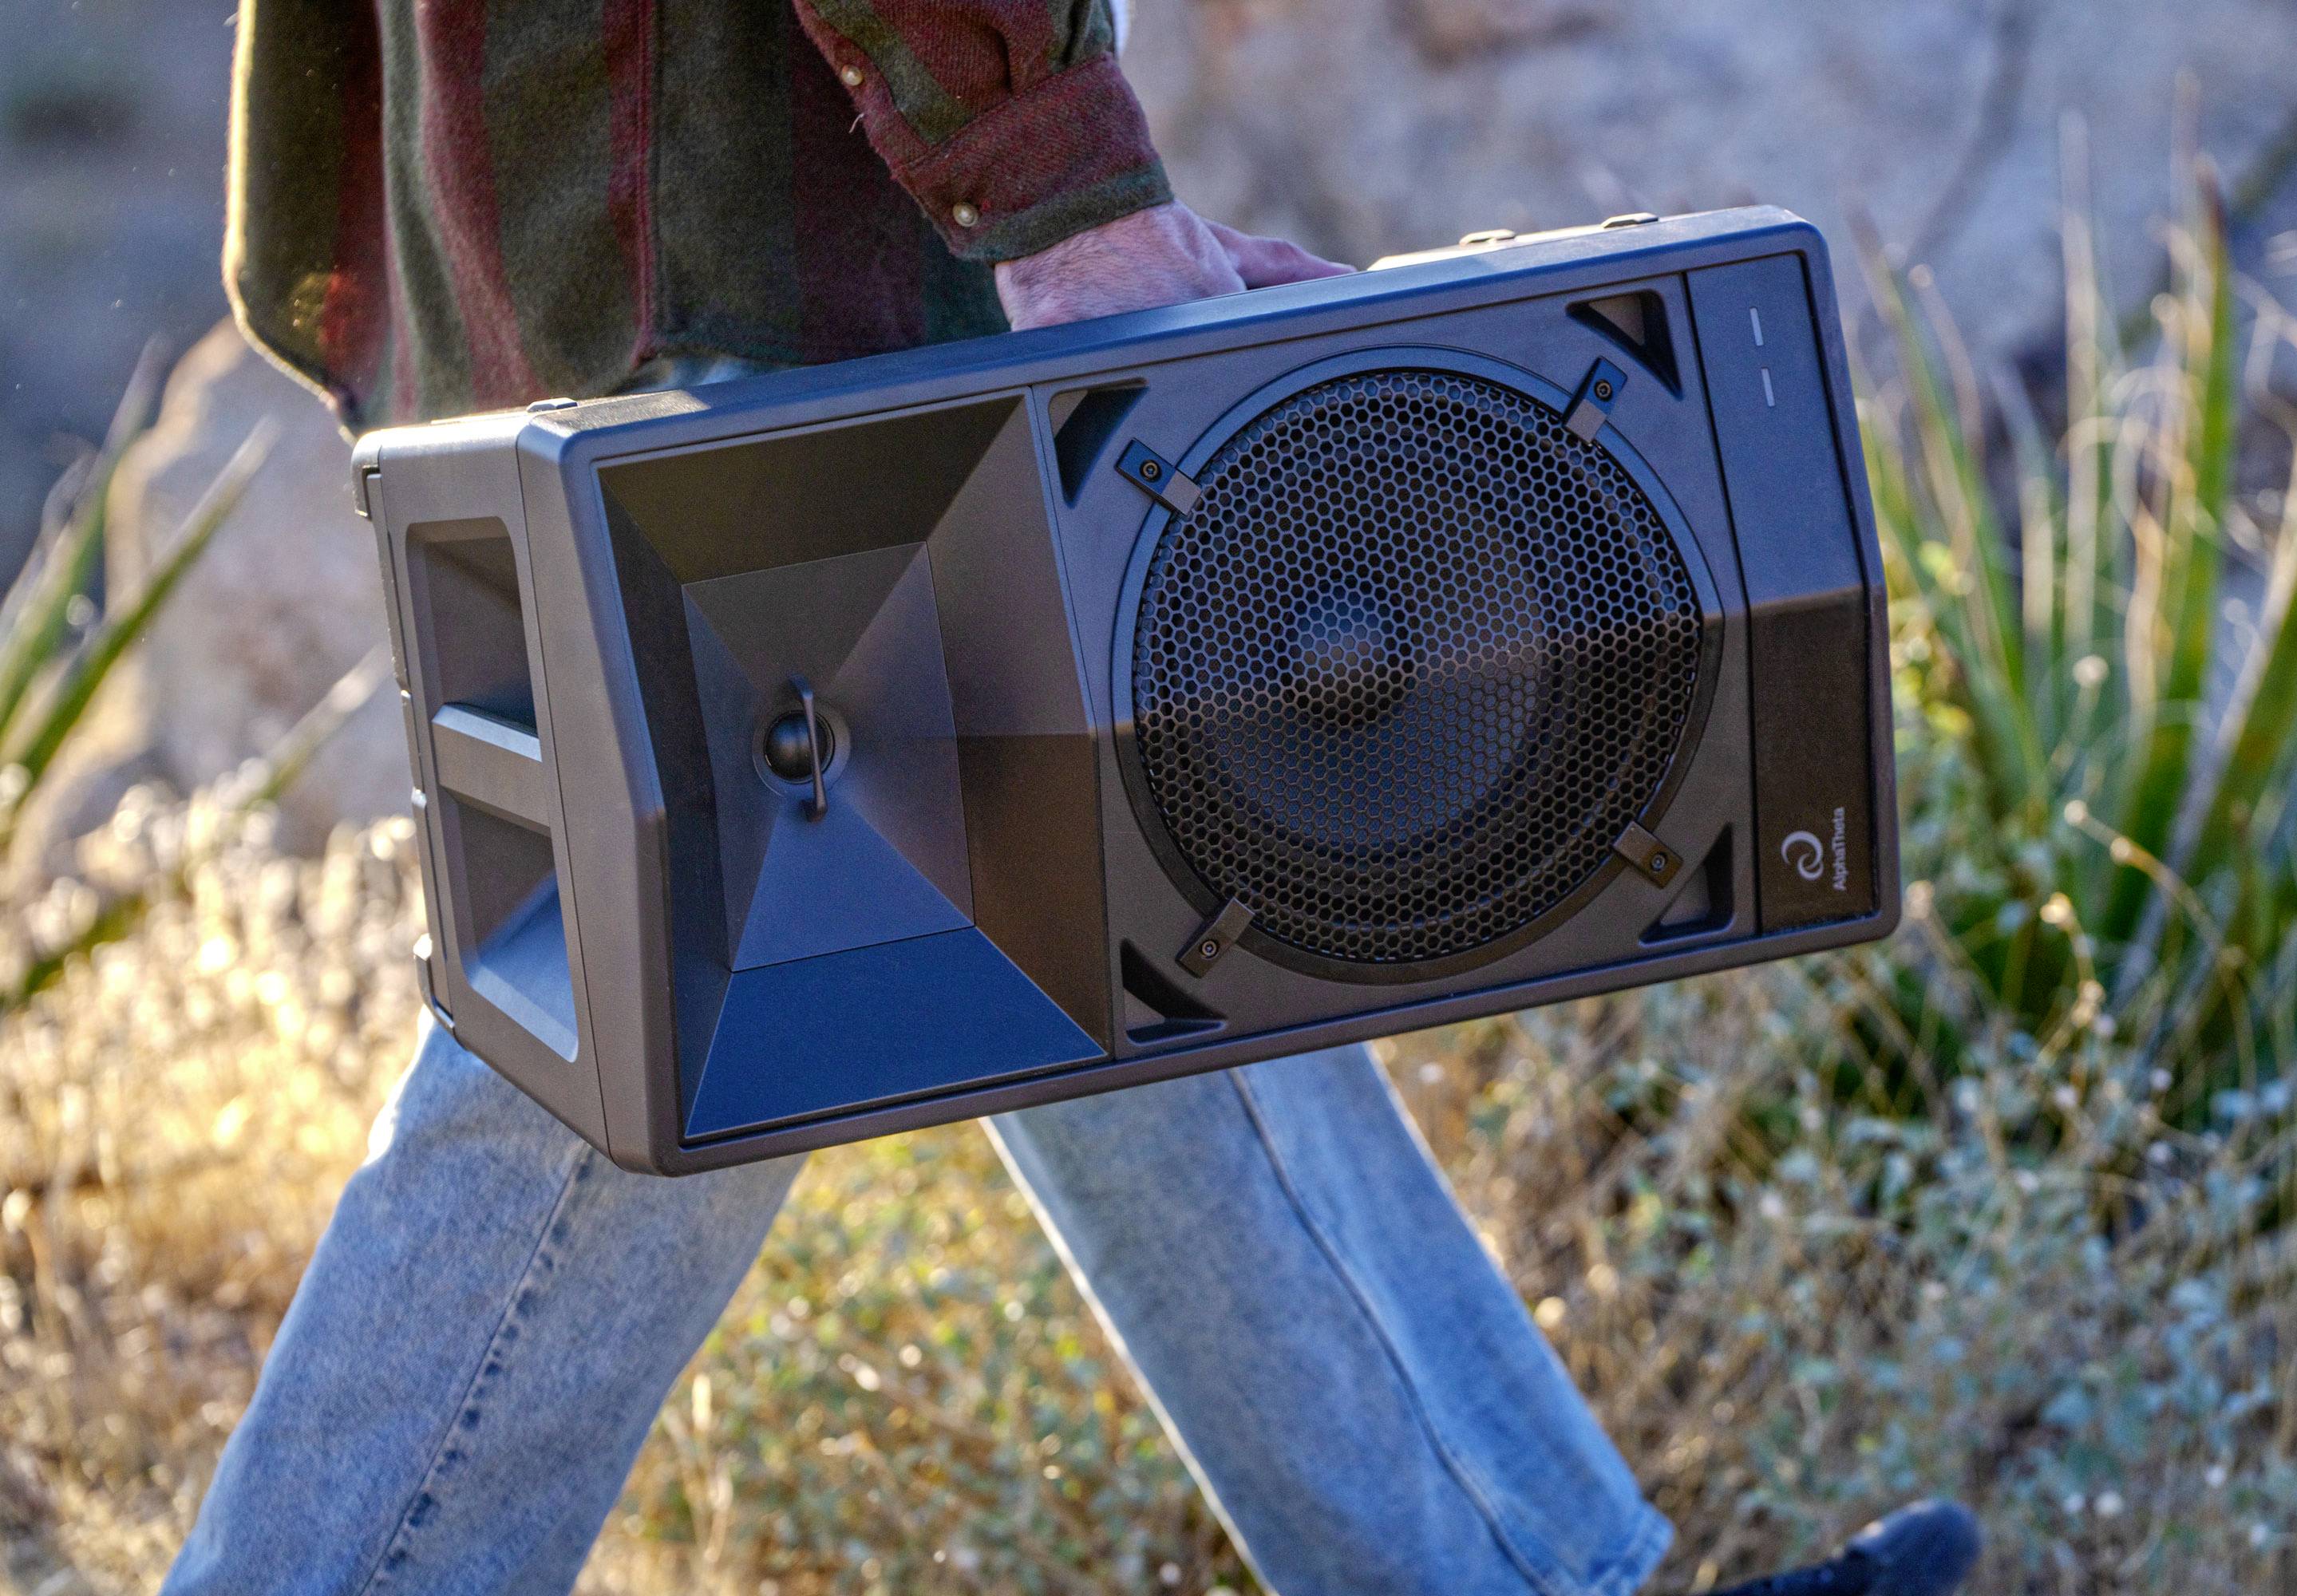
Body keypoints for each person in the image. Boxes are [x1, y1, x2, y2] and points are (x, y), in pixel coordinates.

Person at [166, 3, 1984, 1594]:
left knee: (1139, 899)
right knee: (671, 1033)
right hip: (729, 251)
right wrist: (1065, 190)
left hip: (608, 217)